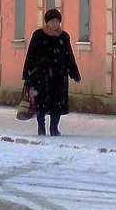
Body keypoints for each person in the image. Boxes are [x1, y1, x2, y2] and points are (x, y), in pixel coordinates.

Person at [22, 8, 81, 136]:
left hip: (59, 76)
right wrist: (27, 73)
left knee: (57, 103)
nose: (55, 23)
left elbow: (69, 55)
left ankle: (54, 128)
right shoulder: (39, 35)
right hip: (41, 75)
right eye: (52, 21)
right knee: (41, 102)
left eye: (57, 21)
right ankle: (41, 127)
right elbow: (30, 54)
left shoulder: (64, 37)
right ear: (47, 22)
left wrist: (74, 73)